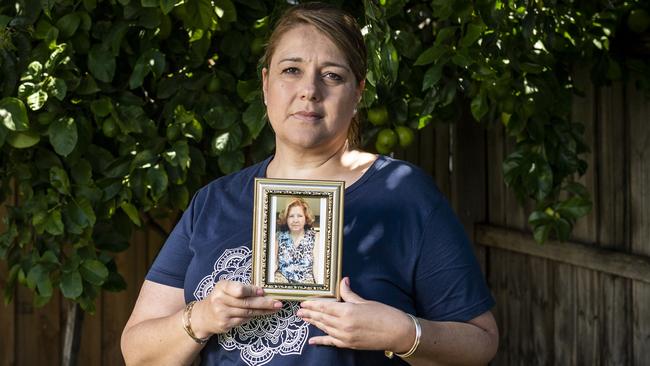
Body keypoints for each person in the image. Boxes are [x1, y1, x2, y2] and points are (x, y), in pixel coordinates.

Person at [121, 3, 499, 366]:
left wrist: (402, 333)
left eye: (332, 75)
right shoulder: (214, 200)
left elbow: (480, 343)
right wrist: (201, 317)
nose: (310, 90)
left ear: (358, 94)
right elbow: (137, 353)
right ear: (266, 85)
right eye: (291, 70)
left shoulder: (405, 194)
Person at [273, 197, 323, 285]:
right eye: (291, 216)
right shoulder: (278, 236)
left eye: (299, 216)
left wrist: (322, 289)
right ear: (286, 219)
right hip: (282, 282)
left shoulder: (316, 236)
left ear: (306, 218)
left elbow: (317, 268)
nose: (295, 220)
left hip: (307, 284)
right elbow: (274, 264)